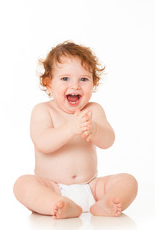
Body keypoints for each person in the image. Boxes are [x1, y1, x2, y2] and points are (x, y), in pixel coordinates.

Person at [13, 41, 138, 219]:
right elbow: (42, 142)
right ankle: (57, 204)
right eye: (65, 78)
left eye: (84, 79)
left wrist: (95, 130)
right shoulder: (43, 110)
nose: (75, 86)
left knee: (128, 181)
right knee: (22, 184)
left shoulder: (93, 110)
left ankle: (107, 202)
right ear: (48, 83)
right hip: (52, 187)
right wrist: (70, 129)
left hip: (91, 188)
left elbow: (108, 140)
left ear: (94, 83)